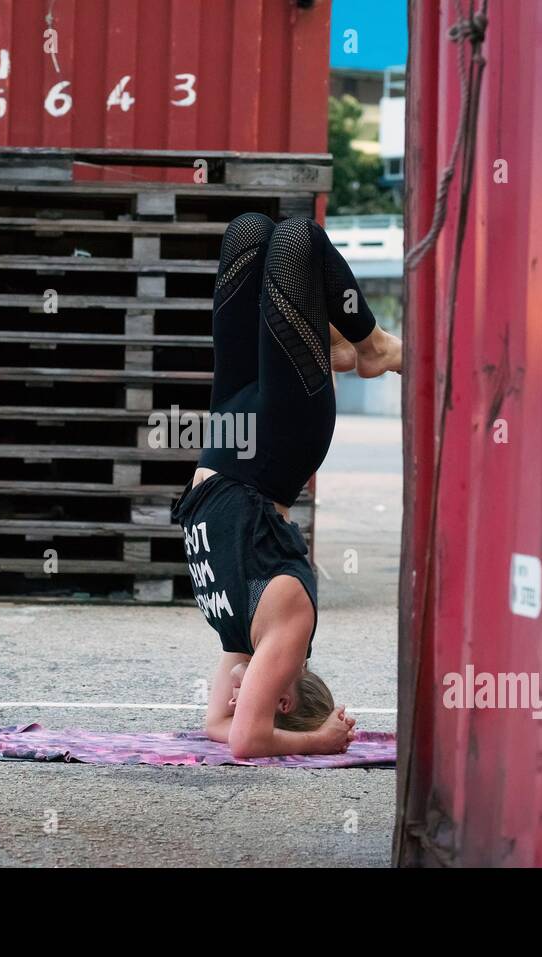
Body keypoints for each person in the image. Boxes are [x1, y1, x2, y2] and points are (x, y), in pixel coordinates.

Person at [170, 212, 402, 758]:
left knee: (247, 233)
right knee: (299, 238)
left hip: (231, 429)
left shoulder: (240, 640)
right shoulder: (289, 623)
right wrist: (320, 741)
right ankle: (370, 349)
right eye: (243, 697)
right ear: (281, 701)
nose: (225, 696)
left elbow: (216, 729)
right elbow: (245, 741)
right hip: (282, 442)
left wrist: (234, 710)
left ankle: (329, 346)